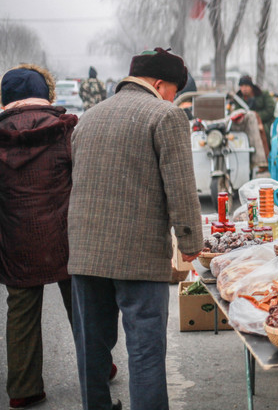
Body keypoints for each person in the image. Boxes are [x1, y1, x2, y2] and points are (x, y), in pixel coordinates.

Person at [67, 48, 203, 410]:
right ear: (159, 84)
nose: (176, 98)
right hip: (138, 256)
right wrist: (191, 241)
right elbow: (181, 186)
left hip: (84, 253)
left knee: (91, 349)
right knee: (145, 350)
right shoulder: (165, 115)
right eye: (175, 90)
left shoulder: (88, 118)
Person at [0, 65, 78, 409]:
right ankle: (98, 366)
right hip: (65, 237)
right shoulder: (65, 131)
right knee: (82, 304)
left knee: (20, 310)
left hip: (16, 240)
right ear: (45, 95)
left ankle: (24, 387)